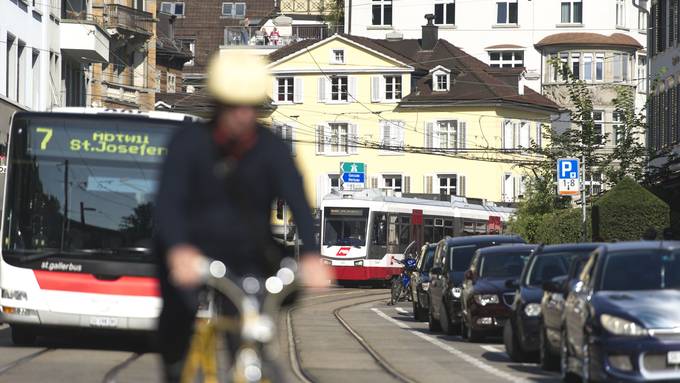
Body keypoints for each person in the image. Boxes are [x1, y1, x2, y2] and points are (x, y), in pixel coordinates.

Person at [154, 52, 332, 382]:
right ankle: (176, 367)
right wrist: (178, 249)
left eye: (249, 106)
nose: (242, 115)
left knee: (251, 333)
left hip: (246, 255)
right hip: (191, 251)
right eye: (233, 106)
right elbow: (169, 203)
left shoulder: (271, 148)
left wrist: (310, 255)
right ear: (218, 105)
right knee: (176, 325)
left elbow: (298, 200)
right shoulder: (189, 143)